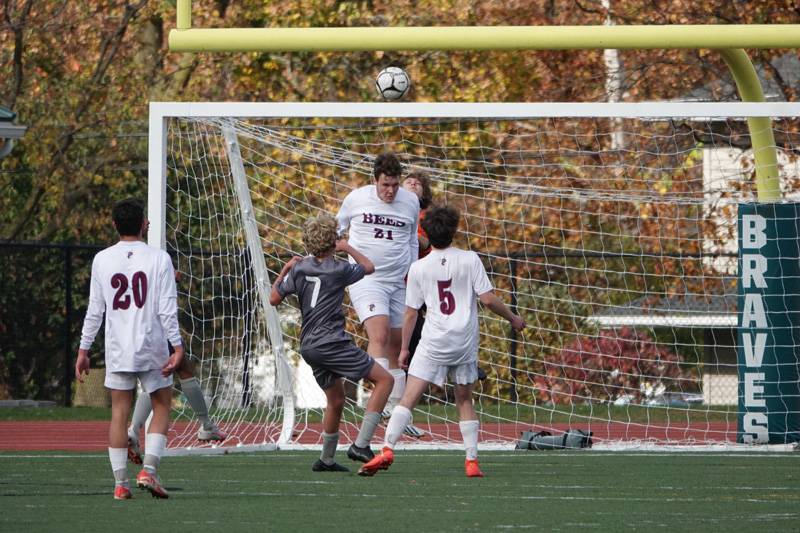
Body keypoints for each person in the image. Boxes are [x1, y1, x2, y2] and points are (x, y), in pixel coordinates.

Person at [358, 205, 526, 478]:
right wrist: (513, 318)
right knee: (464, 399)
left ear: (429, 235)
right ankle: (471, 461)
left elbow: (411, 312)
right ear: (454, 231)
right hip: (464, 341)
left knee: (408, 399)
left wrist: (403, 350)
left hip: (434, 341)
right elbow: (487, 299)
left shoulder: (418, 267)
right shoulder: (470, 259)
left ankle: (387, 448)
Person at [75, 198, 182, 499]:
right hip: (152, 344)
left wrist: (83, 350)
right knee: (161, 404)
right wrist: (177, 346)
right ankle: (148, 470)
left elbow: (95, 310)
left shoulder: (102, 259)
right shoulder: (159, 258)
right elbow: (166, 309)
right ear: (143, 224)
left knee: (119, 413)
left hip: (118, 347)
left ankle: (120, 484)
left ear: (114, 225)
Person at [269, 213, 395, 470]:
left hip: (309, 346)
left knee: (336, 399)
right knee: (386, 380)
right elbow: (369, 267)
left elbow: (273, 299)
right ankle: (361, 445)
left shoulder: (300, 267)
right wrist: (348, 247)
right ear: (333, 241)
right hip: (331, 342)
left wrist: (285, 269)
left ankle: (326, 460)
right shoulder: (339, 269)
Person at [336, 152, 423, 437]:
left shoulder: (410, 201)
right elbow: (337, 232)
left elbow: (411, 240)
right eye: (385, 184)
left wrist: (412, 276)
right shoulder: (357, 198)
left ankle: (396, 415)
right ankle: (378, 401)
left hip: (399, 281)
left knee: (398, 348)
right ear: (375, 180)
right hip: (367, 279)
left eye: (395, 185)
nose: (390, 190)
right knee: (379, 335)